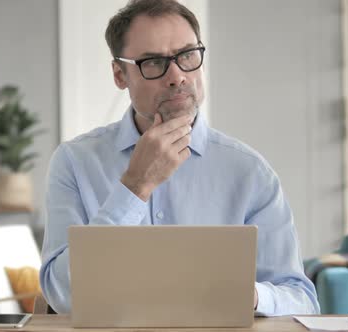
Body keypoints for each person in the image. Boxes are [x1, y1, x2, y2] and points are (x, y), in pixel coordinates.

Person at [39, 0, 320, 316]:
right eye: (154, 62)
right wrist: (134, 187)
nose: (176, 76)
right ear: (120, 74)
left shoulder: (250, 171)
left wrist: (250, 295)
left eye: (187, 55)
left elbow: (302, 301)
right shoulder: (74, 163)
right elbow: (62, 296)